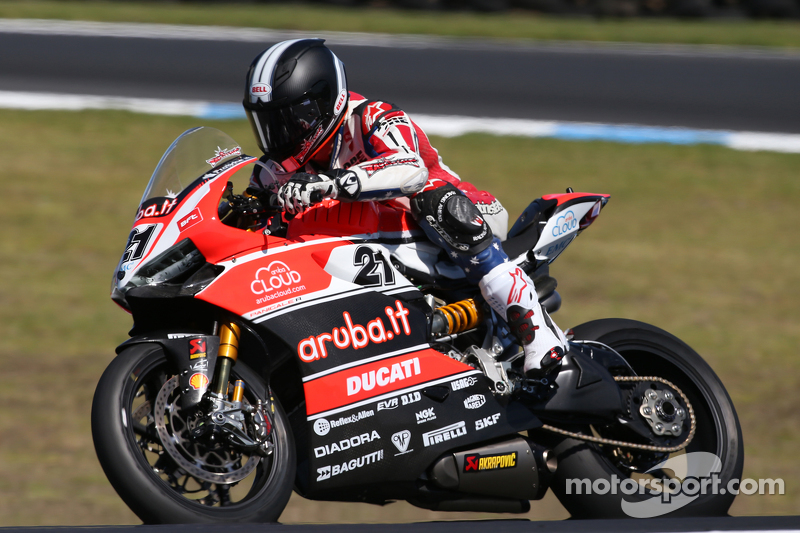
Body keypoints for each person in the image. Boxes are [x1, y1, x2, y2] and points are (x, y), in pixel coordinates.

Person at [243, 38, 567, 377]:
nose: (282, 135)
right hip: (376, 241)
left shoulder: (373, 116)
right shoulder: (276, 168)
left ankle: (539, 338)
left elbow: (410, 169)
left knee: (432, 199)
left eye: (291, 121)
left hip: (456, 219)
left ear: (323, 103)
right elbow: (246, 210)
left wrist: (333, 183)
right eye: (269, 124)